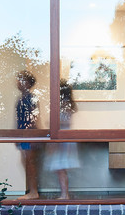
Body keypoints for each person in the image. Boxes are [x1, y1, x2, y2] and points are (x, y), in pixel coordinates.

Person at [48, 78, 80, 200]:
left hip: (63, 138)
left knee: (61, 167)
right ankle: (64, 194)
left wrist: (51, 122)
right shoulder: (66, 103)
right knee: (60, 168)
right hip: (64, 138)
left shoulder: (65, 104)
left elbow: (64, 121)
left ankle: (64, 194)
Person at [15, 70, 42, 199]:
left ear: (27, 83)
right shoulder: (21, 99)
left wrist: (33, 137)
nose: (18, 82)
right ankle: (32, 191)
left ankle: (33, 192)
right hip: (23, 136)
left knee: (30, 163)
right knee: (26, 162)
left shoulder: (31, 98)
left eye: (21, 79)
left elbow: (34, 118)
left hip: (28, 136)